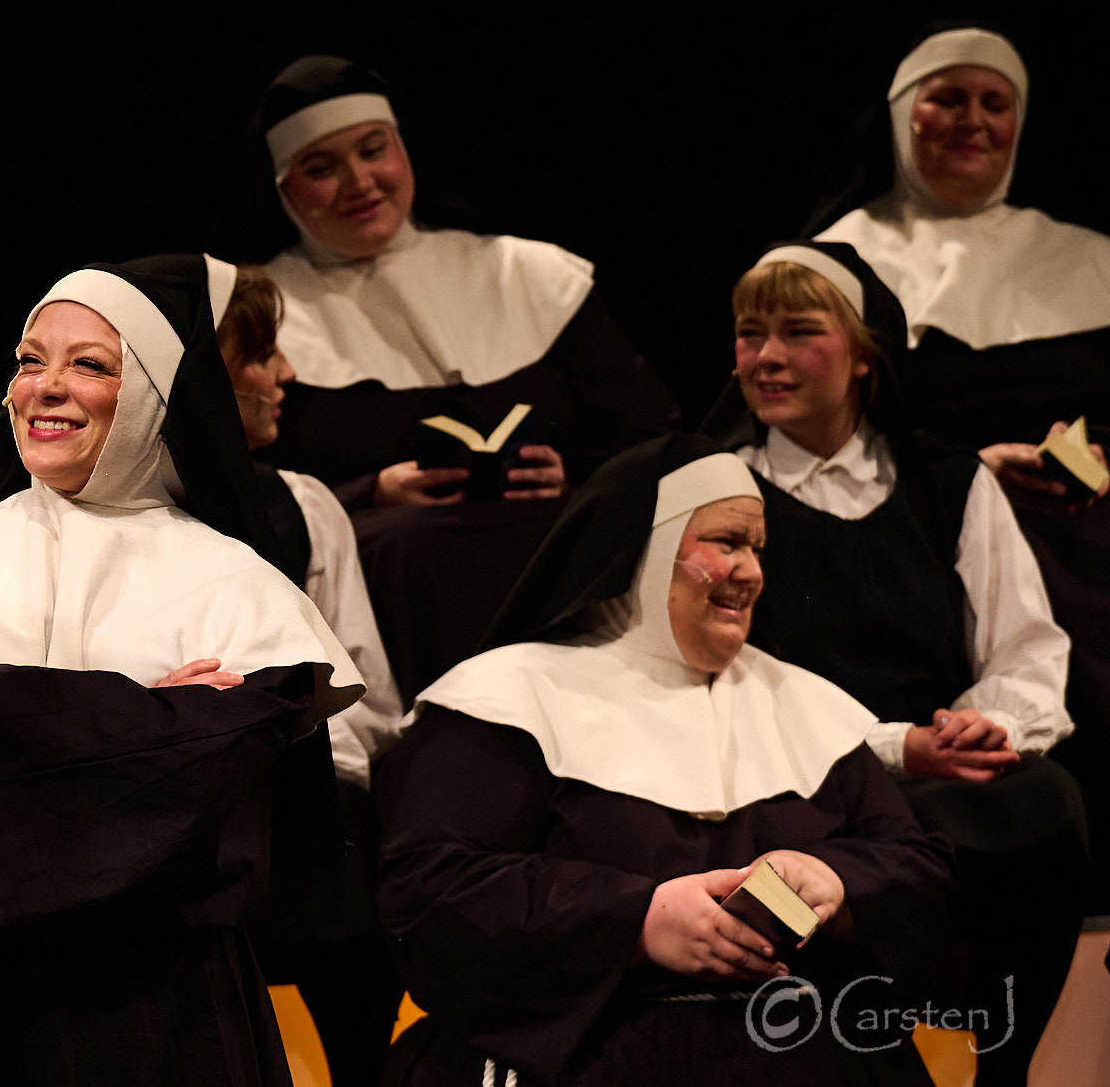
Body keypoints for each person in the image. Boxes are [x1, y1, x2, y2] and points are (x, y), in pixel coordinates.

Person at [0, 253, 366, 1087]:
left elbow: (202, 801)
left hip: (165, 1013)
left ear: (152, 398)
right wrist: (121, 719)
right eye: (30, 360)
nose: (46, 387)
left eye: (89, 364)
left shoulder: (236, 590)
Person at [377, 436, 956, 1086]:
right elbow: (432, 894)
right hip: (592, 1056)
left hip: (808, 1049)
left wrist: (836, 882)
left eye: (758, 548)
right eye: (728, 541)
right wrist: (636, 922)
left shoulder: (808, 707)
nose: (752, 571)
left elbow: (921, 873)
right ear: (644, 549)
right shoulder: (507, 697)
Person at [704, 240, 1083, 1085]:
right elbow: (723, 672)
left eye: (799, 331)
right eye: (749, 333)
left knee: (1045, 801)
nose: (766, 357)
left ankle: (1004, 1065)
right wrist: (895, 746)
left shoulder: (947, 482)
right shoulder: (719, 490)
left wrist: (985, 724)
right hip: (795, 767)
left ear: (865, 355)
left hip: (940, 766)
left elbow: (1025, 646)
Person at [211, 55, 679, 697]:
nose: (359, 182)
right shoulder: (256, 312)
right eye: (321, 169)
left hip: (553, 537)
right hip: (397, 569)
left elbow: (650, 433)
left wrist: (573, 475)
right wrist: (370, 492)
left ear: (406, 150)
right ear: (282, 190)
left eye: (374, 150)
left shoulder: (525, 274)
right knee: (412, 548)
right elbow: (241, 483)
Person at [805, 25, 1110, 908]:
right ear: (903, 117)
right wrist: (970, 468)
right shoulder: (842, 257)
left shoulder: (1088, 258)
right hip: (925, 515)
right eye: (947, 98)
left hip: (1084, 521)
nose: (972, 120)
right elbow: (820, 416)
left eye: (994, 102)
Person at [211, 258, 405, 1087]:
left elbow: (370, 703)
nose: (285, 373)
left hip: (309, 840)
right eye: (261, 354)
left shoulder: (304, 507)